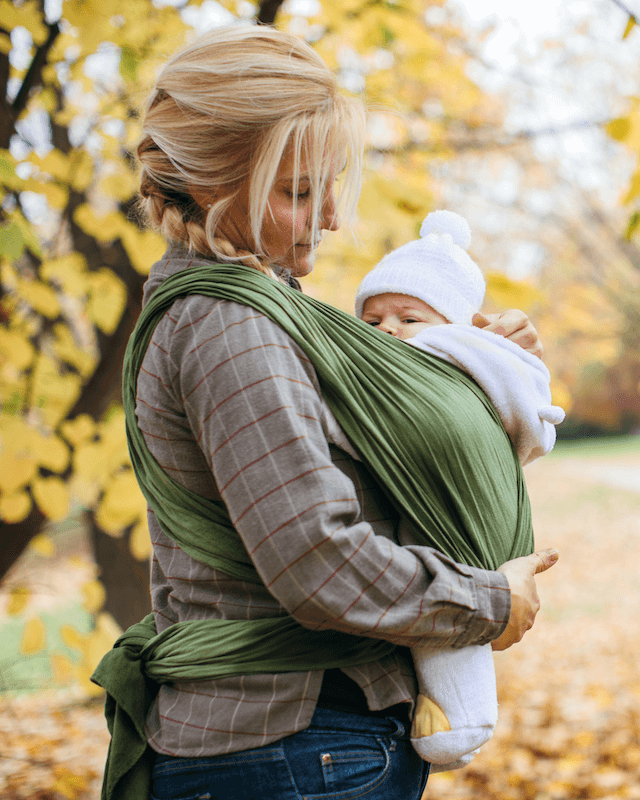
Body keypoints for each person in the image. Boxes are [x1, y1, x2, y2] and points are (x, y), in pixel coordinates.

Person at [91, 24, 557, 800]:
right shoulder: (230, 324)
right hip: (292, 747)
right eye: (299, 191)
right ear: (210, 185)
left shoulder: (253, 310)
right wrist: (487, 603)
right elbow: (316, 557)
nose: (332, 217)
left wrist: (476, 368)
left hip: (296, 749)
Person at [354, 209, 566, 769]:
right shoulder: (377, 368)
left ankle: (461, 719)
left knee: (446, 595)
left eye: (409, 317)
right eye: (372, 321)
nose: (389, 332)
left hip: (452, 517)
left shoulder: (454, 358)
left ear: (455, 326)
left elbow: (519, 418)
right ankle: (451, 716)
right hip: (431, 516)